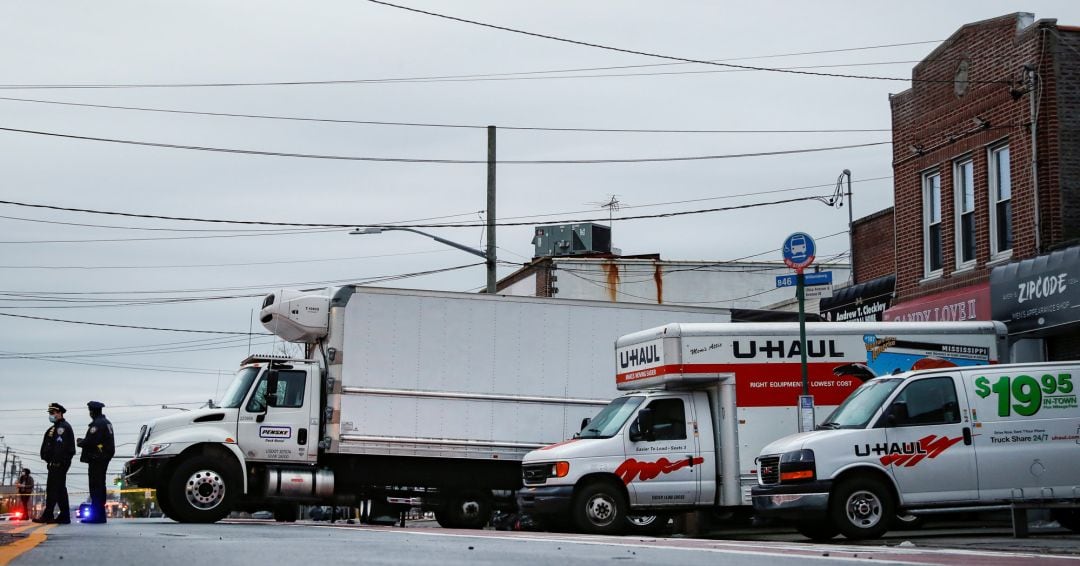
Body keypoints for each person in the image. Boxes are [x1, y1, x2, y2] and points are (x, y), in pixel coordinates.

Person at [33, 402, 75, 524]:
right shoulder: (55, 428)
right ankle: (64, 515)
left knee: (53, 490)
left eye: (53, 413)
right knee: (60, 489)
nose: (51, 415)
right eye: (50, 413)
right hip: (54, 464)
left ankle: (48, 514)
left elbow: (60, 448)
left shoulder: (63, 428)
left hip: (59, 464)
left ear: (59, 413)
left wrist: (57, 461)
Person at [77, 400, 115, 524]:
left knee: (95, 486)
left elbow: (91, 441)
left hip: (97, 458)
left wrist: (80, 442)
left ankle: (97, 516)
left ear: (92, 411)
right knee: (100, 485)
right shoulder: (106, 422)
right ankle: (99, 515)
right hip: (103, 457)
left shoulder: (97, 424)